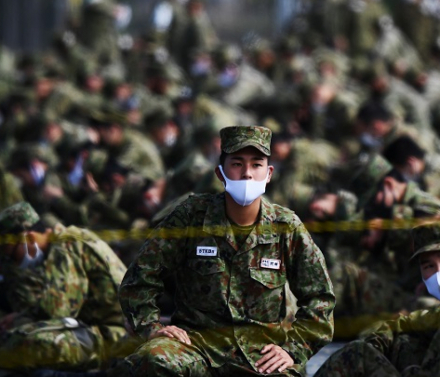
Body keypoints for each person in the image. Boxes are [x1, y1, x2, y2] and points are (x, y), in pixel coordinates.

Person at [114, 126, 335, 376]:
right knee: (152, 360)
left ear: (269, 173)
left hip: (260, 354)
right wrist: (151, 327)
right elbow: (140, 278)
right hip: (196, 347)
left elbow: (320, 299)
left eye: (256, 164)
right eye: (237, 164)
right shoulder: (191, 217)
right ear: (220, 173)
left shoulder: (286, 227)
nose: (247, 174)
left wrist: (293, 349)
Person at [0, 201, 127, 373]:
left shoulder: (67, 246)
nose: (9, 261)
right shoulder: (60, 246)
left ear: (29, 238)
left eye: (8, 252)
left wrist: (22, 319)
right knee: (18, 334)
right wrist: (22, 316)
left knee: (24, 341)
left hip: (114, 335)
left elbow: (58, 310)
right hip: (96, 328)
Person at [315, 218, 440, 377]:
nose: (439, 273)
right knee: (386, 346)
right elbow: (406, 323)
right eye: (429, 266)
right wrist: (381, 339)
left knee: (358, 354)